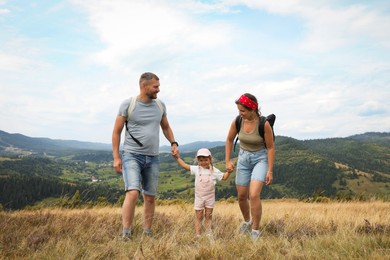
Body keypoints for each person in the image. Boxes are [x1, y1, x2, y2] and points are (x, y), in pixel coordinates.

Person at [112, 72, 179, 240]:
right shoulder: (128, 104)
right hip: (132, 155)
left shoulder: (160, 105)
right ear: (144, 86)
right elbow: (116, 132)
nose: (158, 89)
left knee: (150, 196)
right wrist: (116, 157)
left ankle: (147, 232)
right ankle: (126, 234)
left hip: (153, 157)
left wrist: (173, 143)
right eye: (156, 86)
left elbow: (165, 127)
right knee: (133, 193)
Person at [225, 93, 274, 241]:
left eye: (243, 110)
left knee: (253, 195)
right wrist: (227, 161)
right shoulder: (238, 121)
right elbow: (229, 140)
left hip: (260, 158)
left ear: (252, 109)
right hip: (243, 158)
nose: (240, 113)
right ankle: (247, 221)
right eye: (239, 110)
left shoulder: (264, 124)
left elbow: (271, 148)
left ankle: (255, 231)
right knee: (241, 196)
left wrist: (270, 171)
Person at [174, 148, 230, 237]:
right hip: (199, 197)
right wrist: (177, 158)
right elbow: (185, 166)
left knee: (208, 215)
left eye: (206, 160)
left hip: (210, 197)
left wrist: (229, 171)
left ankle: (208, 233)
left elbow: (224, 177)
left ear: (210, 159)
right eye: (201, 160)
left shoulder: (214, 171)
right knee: (199, 216)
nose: (203, 162)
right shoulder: (196, 169)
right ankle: (198, 235)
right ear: (197, 160)